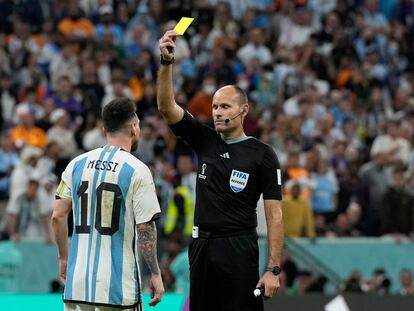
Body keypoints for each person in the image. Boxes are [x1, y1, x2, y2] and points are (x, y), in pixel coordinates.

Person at [157, 30, 284, 311]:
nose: (217, 112)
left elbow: (274, 215)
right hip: (201, 247)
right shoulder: (205, 141)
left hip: (238, 248)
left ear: (244, 110)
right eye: (214, 106)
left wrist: (273, 269)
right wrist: (166, 64)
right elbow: (166, 108)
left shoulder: (262, 154)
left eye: (225, 106)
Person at [51, 98, 164, 311]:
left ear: (104, 130)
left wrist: (64, 259)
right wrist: (155, 273)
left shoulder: (76, 165)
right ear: (133, 127)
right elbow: (145, 227)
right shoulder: (137, 170)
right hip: (118, 288)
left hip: (77, 284)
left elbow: (57, 216)